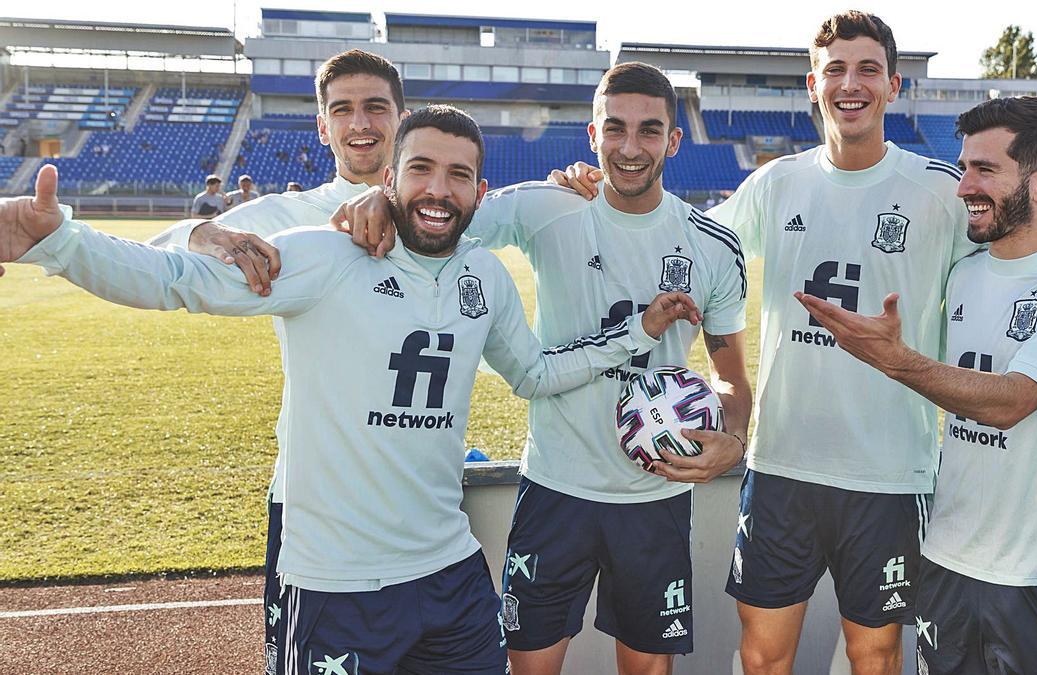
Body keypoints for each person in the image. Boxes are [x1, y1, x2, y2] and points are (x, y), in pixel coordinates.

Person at [1, 105, 701, 675]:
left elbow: (536, 374)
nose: (439, 189)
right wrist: (59, 241)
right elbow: (173, 281)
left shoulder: (482, 279)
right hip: (337, 584)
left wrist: (638, 328)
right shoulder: (324, 257)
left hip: (451, 574)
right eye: (421, 168)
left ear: (479, 195)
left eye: (459, 176)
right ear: (387, 179)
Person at [549, 11, 1037, 675]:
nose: (849, 83)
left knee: (876, 655)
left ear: (891, 87)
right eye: (835, 69)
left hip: (890, 473)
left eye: (867, 69)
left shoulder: (946, 189)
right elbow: (686, 246)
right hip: (782, 467)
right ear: (813, 83)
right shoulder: (777, 182)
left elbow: (1020, 245)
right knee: (763, 655)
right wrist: (604, 194)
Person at [332, 62, 753, 675]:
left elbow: (731, 375)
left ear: (674, 139)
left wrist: (733, 438)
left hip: (653, 495)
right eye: (615, 129)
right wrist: (378, 193)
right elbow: (441, 209)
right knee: (528, 667)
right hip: (556, 487)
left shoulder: (713, 247)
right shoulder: (545, 207)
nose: (630, 149)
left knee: (649, 668)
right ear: (592, 134)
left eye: (649, 130)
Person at [799, 96, 1037, 675]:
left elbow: (1014, 402)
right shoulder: (963, 270)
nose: (963, 186)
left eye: (985, 170)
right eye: (963, 167)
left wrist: (898, 361)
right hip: (946, 562)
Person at [143, 48, 411, 675]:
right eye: (342, 110)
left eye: (376, 106)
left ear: (402, 117)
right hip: (311, 499)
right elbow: (155, 259)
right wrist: (198, 233)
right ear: (323, 126)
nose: (360, 123)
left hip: (419, 496)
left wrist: (569, 184)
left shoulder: (442, 214)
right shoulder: (289, 215)